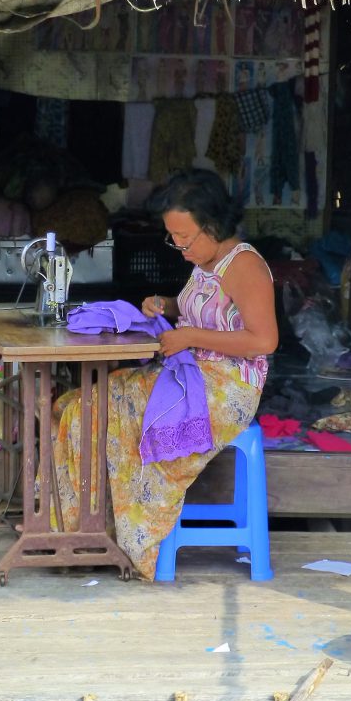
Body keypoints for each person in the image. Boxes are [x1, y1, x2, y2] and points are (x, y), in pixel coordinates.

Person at [50, 168, 278, 580]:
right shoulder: (208, 261)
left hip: (227, 389)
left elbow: (263, 341)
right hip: (194, 374)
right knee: (79, 402)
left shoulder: (244, 266)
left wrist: (189, 335)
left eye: (184, 238)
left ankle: (103, 537)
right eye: (172, 237)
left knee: (99, 407)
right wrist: (166, 305)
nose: (177, 246)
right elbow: (208, 310)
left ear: (212, 226)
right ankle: (78, 530)